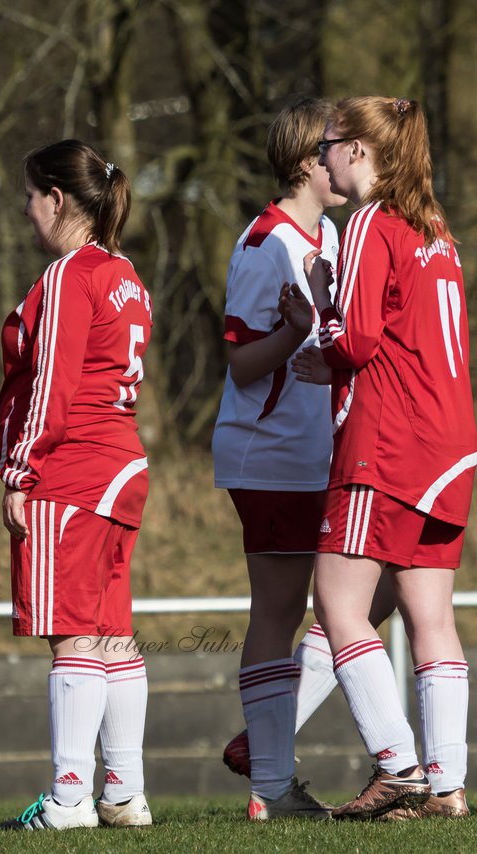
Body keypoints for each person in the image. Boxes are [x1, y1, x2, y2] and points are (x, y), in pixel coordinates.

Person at [302, 96, 474, 820]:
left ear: (361, 151)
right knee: (432, 617)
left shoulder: (371, 220)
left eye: (331, 141)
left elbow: (359, 341)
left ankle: (397, 768)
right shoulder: (436, 228)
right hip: (451, 445)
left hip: (390, 441)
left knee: (337, 606)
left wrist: (318, 312)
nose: (323, 154)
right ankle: (448, 786)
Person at [0, 141, 153, 831]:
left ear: (57, 198)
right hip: (121, 462)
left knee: (70, 635)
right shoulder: (125, 274)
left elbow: (53, 383)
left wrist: (20, 470)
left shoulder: (68, 276)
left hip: (74, 467)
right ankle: (124, 790)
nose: (27, 211)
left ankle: (68, 799)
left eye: (31, 196)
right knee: (112, 630)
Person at [210, 97, 345, 820]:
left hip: (317, 455)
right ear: (305, 161)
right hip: (274, 457)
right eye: (336, 146)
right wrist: (296, 333)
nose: (347, 158)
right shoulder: (268, 243)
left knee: (354, 602)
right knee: (282, 610)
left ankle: (264, 758)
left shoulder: (326, 234)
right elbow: (240, 365)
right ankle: (270, 782)